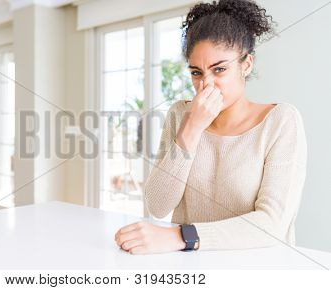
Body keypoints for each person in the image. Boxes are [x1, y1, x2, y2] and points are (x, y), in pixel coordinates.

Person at [115, 0, 307, 254]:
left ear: (246, 64)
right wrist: (192, 128)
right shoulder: (180, 114)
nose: (206, 85)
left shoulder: (281, 121)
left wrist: (182, 236)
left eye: (219, 70)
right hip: (193, 270)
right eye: (196, 72)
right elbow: (158, 205)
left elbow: (272, 223)